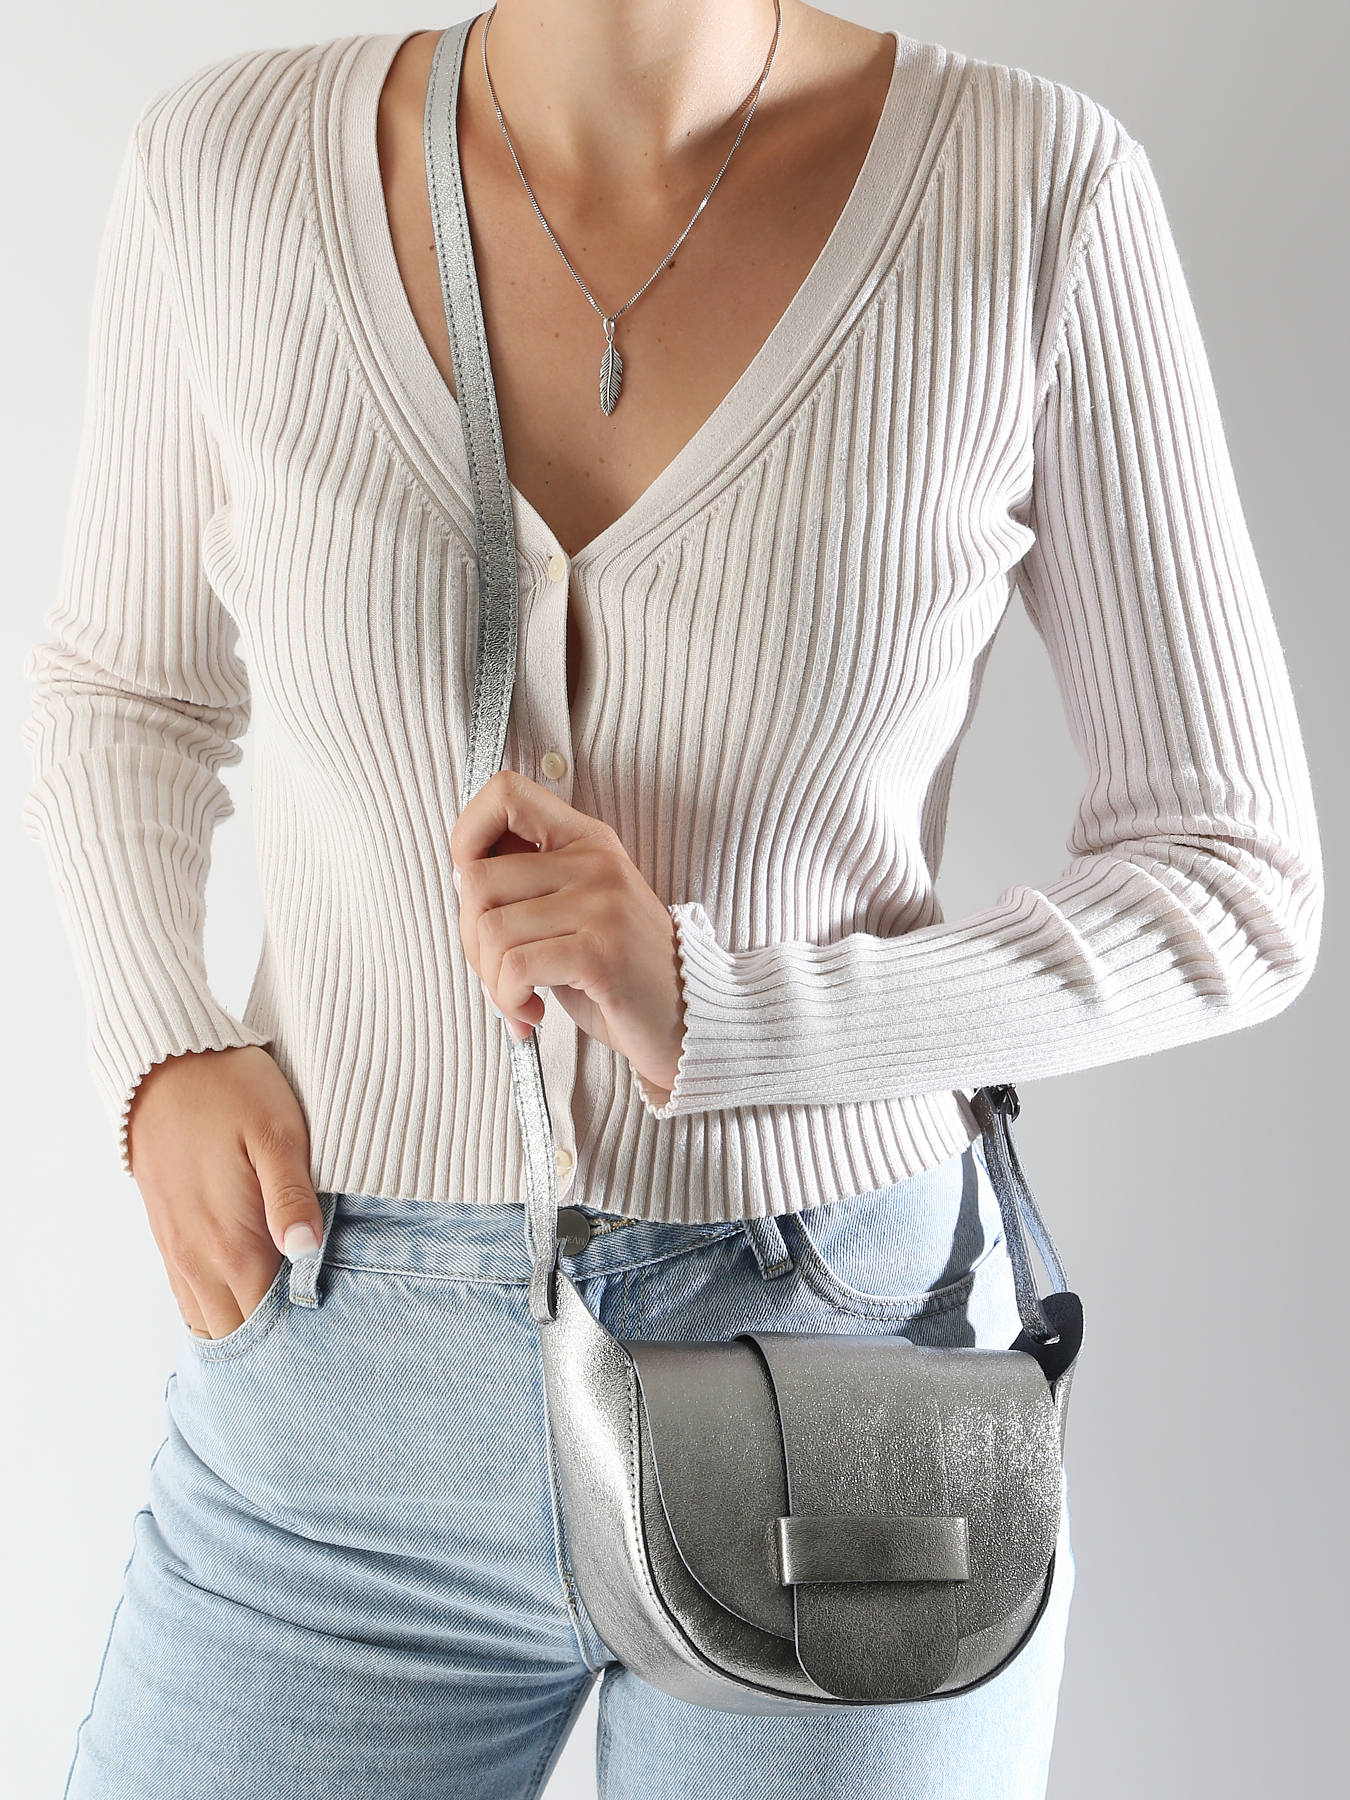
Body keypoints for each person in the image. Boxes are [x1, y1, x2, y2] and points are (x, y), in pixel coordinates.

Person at [20, 3, 1322, 1796]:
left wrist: (737, 1015)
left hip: (846, 1386)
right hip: (337, 1368)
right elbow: (122, 692)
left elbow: (1232, 880)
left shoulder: (1032, 192)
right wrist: (160, 1046)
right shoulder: (226, 169)